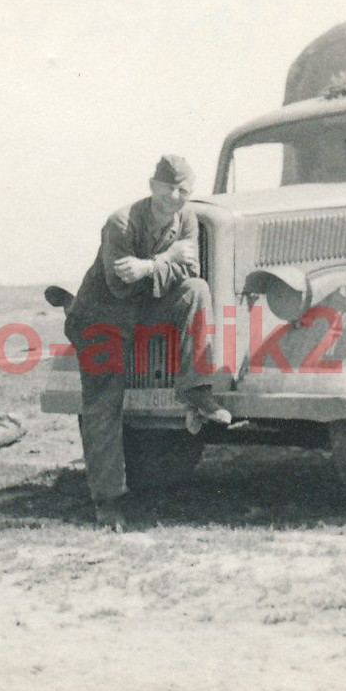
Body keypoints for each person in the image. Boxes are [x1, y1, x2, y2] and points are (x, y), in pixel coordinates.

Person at [65, 154, 231, 530]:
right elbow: (119, 284)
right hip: (101, 319)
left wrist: (149, 265)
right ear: (152, 185)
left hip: (142, 309)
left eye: (183, 190)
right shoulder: (121, 222)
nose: (175, 196)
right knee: (103, 406)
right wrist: (166, 259)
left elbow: (189, 270)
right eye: (168, 187)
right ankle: (107, 501)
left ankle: (195, 391)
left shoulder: (186, 218)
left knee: (196, 291)